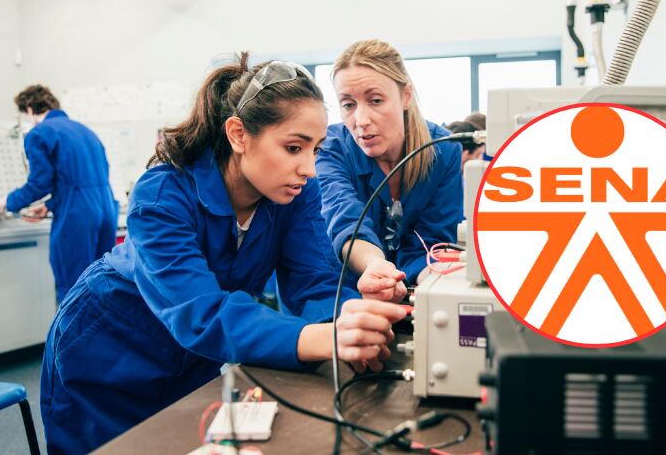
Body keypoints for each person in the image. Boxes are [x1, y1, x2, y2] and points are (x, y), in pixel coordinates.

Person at [39, 54, 407, 454]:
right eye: (293, 147)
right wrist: (318, 337)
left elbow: (314, 282)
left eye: (315, 149)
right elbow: (200, 311)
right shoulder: (161, 194)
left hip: (190, 357)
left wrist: (349, 318)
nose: (309, 168)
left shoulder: (296, 193)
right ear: (238, 134)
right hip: (108, 348)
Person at [316, 40, 463, 301]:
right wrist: (375, 267)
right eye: (348, 105)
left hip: (415, 289)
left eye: (375, 100)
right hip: (346, 292)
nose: (361, 120)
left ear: (405, 96)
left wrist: (434, 280)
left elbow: (432, 241)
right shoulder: (331, 149)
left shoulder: (444, 150)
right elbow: (345, 221)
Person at [0, 85, 118, 303]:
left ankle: (70, 338)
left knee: (73, 290)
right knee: (99, 285)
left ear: (30, 109)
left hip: (77, 216)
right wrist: (49, 206)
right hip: (107, 211)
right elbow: (83, 182)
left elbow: (40, 184)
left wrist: (8, 201)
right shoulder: (86, 131)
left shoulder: (39, 133)